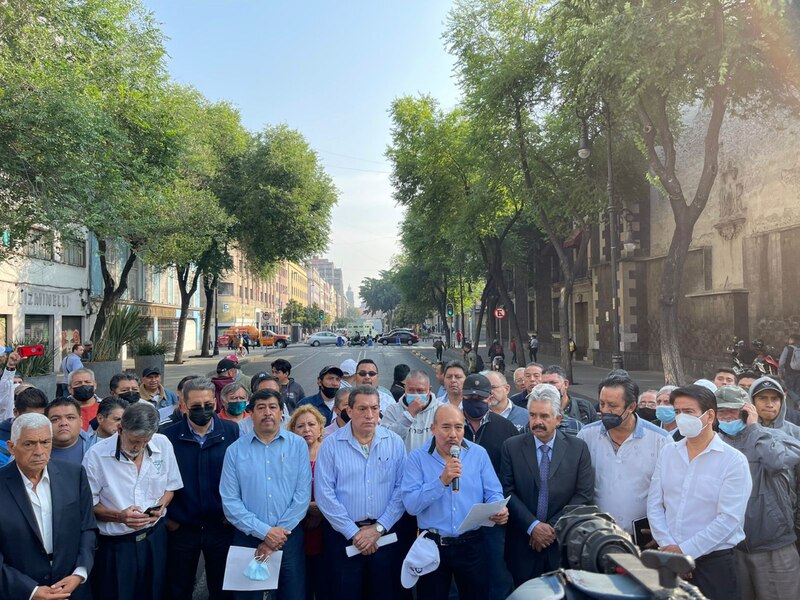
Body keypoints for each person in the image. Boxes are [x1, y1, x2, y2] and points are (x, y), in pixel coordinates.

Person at [647, 384, 752, 600]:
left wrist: (685, 551)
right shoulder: (669, 452)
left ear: (709, 415)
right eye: (677, 412)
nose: (681, 418)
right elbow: (655, 503)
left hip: (714, 563)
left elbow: (729, 519)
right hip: (668, 557)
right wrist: (669, 547)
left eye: (688, 412)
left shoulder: (733, 461)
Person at [400, 404, 509, 599]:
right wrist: (441, 481)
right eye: (446, 427)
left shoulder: (478, 454)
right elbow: (411, 505)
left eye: (458, 427)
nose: (453, 434)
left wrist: (499, 509)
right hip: (432, 546)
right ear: (433, 428)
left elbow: (494, 492)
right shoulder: (417, 458)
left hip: (471, 544)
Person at [83, 402, 184, 600]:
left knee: (156, 592)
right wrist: (119, 517)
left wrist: (161, 505)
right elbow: (88, 505)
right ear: (120, 429)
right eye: (134, 440)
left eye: (146, 441)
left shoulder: (162, 443)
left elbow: (171, 486)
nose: (139, 447)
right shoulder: (96, 456)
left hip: (155, 538)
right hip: (116, 545)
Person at [315, 385, 407, 600]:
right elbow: (324, 494)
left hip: (383, 535)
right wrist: (354, 533)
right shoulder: (331, 445)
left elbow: (401, 490)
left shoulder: (394, 442)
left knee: (385, 593)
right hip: (344, 537)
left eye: (374, 409)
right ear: (349, 411)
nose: (370, 415)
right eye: (363, 409)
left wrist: (378, 528)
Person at [500, 382, 595, 586]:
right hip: (522, 544)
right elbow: (507, 491)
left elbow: (583, 496)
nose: (537, 422)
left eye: (544, 416)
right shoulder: (512, 447)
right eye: (533, 415)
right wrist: (533, 526)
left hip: (561, 545)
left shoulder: (578, 448)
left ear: (558, 419)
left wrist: (550, 529)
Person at [220, 389, 311, 599]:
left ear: (282, 413)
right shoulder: (235, 451)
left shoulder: (297, 446)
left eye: (273, 407)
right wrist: (264, 532)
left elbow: (302, 495)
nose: (267, 412)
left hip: (288, 538)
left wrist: (275, 536)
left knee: (292, 594)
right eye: (261, 408)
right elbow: (230, 502)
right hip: (248, 538)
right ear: (250, 414)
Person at [714, 384, 800, 600]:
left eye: (732, 411)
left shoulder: (772, 436)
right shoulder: (715, 442)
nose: (726, 417)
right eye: (721, 411)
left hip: (773, 544)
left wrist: (754, 429)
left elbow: (777, 461)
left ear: (746, 411)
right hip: (734, 546)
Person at [0, 412, 97, 600]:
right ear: (12, 447)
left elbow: (87, 528)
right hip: (18, 592)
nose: (39, 451)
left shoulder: (73, 475)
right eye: (29, 444)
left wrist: (80, 573)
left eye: (45, 442)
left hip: (72, 588)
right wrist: (30, 590)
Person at [163, 378, 239, 600]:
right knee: (179, 587)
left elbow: (240, 477)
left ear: (215, 403)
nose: (203, 411)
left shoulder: (232, 431)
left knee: (222, 588)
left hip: (221, 526)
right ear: (183, 406)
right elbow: (159, 482)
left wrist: (229, 516)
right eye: (196, 407)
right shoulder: (168, 437)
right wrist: (170, 520)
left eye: (208, 404)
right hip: (182, 528)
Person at [578, 375, 670, 535]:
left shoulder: (660, 440)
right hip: (597, 537)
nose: (605, 410)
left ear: (631, 406)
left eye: (613, 405)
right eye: (602, 404)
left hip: (644, 536)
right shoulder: (586, 436)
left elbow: (671, 491)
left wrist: (663, 530)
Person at [288, 405, 326, 600]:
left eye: (311, 424)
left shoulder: (330, 452)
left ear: (320, 428)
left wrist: (320, 512)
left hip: (327, 524)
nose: (306, 429)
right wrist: (307, 510)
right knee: (300, 580)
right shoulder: (288, 455)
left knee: (324, 578)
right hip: (297, 524)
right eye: (300, 426)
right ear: (292, 430)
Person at [460, 373, 520, 473]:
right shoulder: (449, 426)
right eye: (470, 397)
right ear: (462, 396)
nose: (474, 401)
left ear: (490, 398)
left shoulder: (506, 428)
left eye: (480, 398)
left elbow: (514, 468)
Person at [382, 370, 438, 452]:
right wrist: (409, 415)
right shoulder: (393, 410)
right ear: (405, 389)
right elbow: (385, 440)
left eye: (420, 390)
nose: (416, 395)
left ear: (429, 390)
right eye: (411, 390)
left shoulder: (440, 410)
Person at [0, 386, 48, 464]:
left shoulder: (51, 436)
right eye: (29, 417)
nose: (35, 423)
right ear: (16, 412)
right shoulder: (2, 441)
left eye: (40, 417)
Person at [46, 397, 92, 465]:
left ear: (81, 421)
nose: (63, 423)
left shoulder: (97, 447)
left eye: (70, 417)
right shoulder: (35, 452)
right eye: (55, 419)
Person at [0, 350, 24, 422]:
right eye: (14, 382)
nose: (17, 385)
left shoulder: (29, 402)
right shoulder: (6, 402)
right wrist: (11, 366)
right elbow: (6, 386)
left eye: (19, 382)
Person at [779, 334, 800, 408]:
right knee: (797, 390)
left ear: (792, 339)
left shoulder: (787, 348)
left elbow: (781, 362)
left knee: (787, 388)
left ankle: (798, 401)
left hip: (789, 373)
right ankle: (796, 408)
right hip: (799, 373)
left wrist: (780, 373)